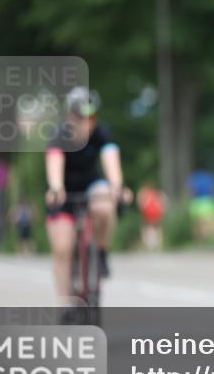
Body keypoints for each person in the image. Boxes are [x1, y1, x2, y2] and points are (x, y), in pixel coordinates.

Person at [45, 87, 125, 305]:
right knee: (62, 249)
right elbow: (54, 162)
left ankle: (101, 251)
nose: (86, 123)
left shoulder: (101, 132)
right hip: (64, 191)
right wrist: (55, 186)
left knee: (104, 203)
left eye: (91, 118)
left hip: (91, 184)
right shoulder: (59, 134)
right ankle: (64, 303)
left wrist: (117, 186)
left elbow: (110, 160)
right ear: (71, 116)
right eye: (81, 117)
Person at [187, 169, 214, 240]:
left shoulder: (193, 178)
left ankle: (200, 238)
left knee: (198, 222)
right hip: (209, 200)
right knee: (210, 221)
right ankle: (209, 237)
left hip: (197, 201)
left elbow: (192, 190)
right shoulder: (210, 177)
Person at [137, 184, 167, 251]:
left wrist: (142, 209)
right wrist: (162, 208)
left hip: (149, 212)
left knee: (150, 228)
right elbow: (164, 200)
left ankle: (151, 244)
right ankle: (157, 244)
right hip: (157, 212)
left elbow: (141, 202)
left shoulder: (145, 193)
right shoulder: (157, 193)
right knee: (156, 228)